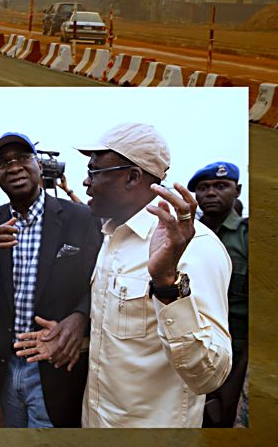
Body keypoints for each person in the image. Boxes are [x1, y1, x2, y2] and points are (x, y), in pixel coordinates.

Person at [18, 123, 232, 428]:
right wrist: (73, 338)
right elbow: (133, 334)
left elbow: (210, 375)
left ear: (132, 177)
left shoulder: (194, 248)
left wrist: (167, 286)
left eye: (94, 171)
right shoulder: (112, 238)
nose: (84, 181)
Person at [0, 132, 102, 428]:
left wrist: (80, 317)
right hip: (5, 365)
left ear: (38, 165)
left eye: (22, 158)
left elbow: (98, 283)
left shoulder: (81, 218)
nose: (13, 167)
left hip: (56, 364)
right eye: (3, 163)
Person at [188, 161, 247, 428]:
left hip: (235, 360)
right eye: (203, 188)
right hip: (190, 353)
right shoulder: (184, 237)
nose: (211, 193)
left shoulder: (248, 237)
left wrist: (236, 384)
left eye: (221, 186)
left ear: (238, 190)